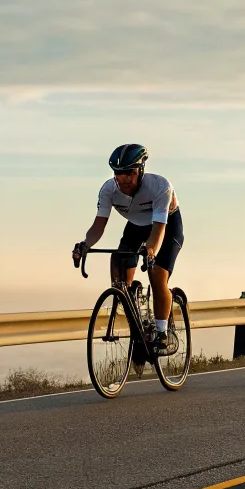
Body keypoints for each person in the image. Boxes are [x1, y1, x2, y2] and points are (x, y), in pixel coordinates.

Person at [72, 144, 183, 354]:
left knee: (157, 275)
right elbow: (98, 226)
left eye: (130, 173)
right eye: (118, 174)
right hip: (136, 227)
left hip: (166, 228)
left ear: (140, 170)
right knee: (119, 261)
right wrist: (85, 245)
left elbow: (158, 230)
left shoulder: (160, 186)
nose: (124, 180)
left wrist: (150, 252)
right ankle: (134, 313)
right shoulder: (108, 190)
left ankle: (162, 333)